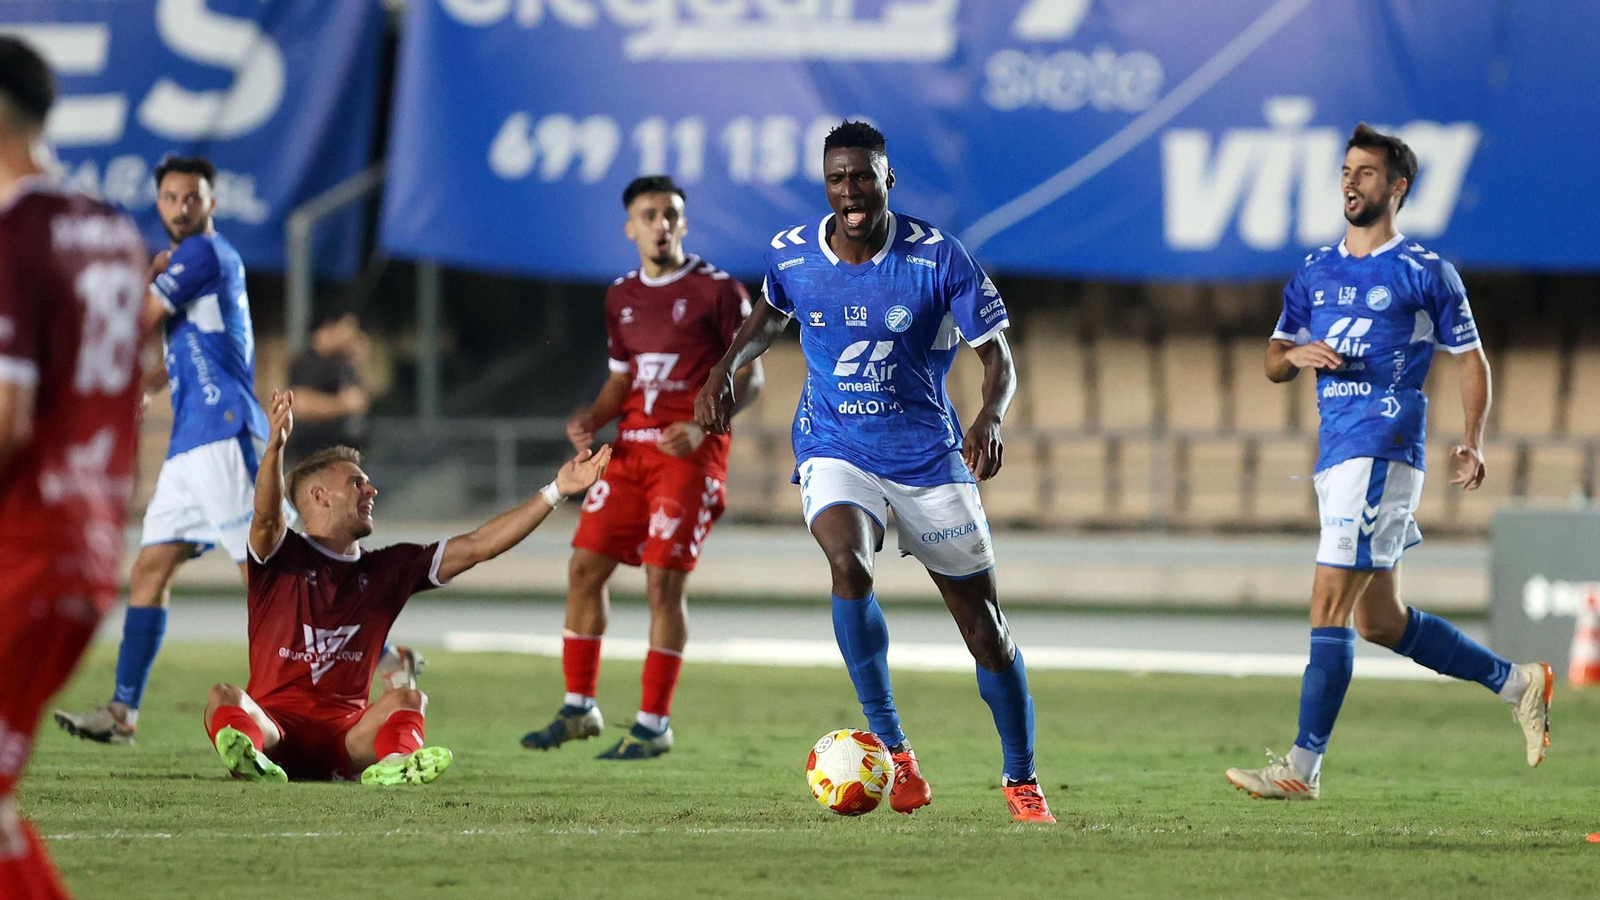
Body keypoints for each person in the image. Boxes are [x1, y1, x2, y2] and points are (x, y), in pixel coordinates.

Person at [695, 122, 1052, 823]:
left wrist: (990, 417)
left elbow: (998, 357)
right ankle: (894, 747)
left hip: (926, 455)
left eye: (863, 177)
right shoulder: (792, 252)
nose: (851, 191)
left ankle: (1021, 777)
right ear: (825, 184)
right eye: (838, 179)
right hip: (834, 444)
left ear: (888, 180)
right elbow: (769, 314)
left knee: (985, 630)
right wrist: (723, 369)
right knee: (847, 563)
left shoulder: (937, 257)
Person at [1224, 124, 1551, 801]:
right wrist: (1295, 356)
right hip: (1336, 452)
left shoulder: (1425, 272)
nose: (1351, 182)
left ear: (1397, 187)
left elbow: (1471, 358)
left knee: (1327, 603)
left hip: (1382, 448)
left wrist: (1474, 438)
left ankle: (1302, 768)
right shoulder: (1315, 270)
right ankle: (1517, 683)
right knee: (1380, 621)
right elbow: (1273, 359)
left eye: (1366, 172)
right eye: (1346, 171)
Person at [56, 157, 421, 745]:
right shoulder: (187, 268)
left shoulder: (204, 254)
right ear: (159, 203)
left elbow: (140, 317)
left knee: (268, 570)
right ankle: (123, 713)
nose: (181, 207)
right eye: (171, 198)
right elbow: (181, 351)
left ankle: (381, 655)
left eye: (192, 197)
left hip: (223, 434)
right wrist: (142, 389)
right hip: (189, 445)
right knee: (150, 570)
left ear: (212, 203)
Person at [205, 389, 611, 784]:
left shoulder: (388, 569)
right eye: (357, 483)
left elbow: (478, 546)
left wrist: (556, 491)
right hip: (275, 731)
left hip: (345, 741)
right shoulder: (282, 555)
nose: (371, 490)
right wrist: (275, 447)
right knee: (223, 695)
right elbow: (266, 518)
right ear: (320, 497)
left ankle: (396, 763)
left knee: (410, 699)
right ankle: (251, 754)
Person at [521, 175, 762, 760]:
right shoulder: (621, 296)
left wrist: (704, 426)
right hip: (628, 453)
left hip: (688, 456)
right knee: (584, 568)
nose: (661, 224)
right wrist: (593, 417)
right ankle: (579, 707)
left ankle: (654, 724)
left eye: (670, 214)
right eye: (649, 215)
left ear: (684, 223)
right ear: (630, 227)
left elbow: (752, 378)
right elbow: (621, 380)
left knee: (663, 582)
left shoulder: (719, 291)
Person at [0, 36, 149, 896]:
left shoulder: (16, 232)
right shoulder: (112, 231)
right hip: (84, 547)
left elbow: (7, 419)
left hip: (23, 547)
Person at [286, 309, 372, 466]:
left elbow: (361, 400)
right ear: (329, 327)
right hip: (311, 457)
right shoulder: (308, 362)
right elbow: (300, 404)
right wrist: (342, 405)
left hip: (340, 456)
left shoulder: (342, 364)